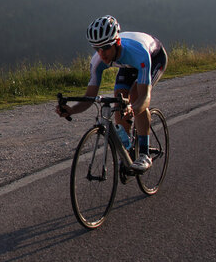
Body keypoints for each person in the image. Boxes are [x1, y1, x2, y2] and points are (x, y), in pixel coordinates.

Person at [56, 15, 168, 172]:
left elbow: (145, 97)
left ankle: (144, 154)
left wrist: (134, 108)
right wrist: (72, 109)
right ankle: (128, 153)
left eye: (106, 48)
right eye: (97, 48)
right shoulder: (98, 61)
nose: (102, 54)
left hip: (153, 58)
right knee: (119, 102)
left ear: (117, 43)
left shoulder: (139, 53)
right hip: (127, 63)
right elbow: (89, 98)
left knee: (136, 97)